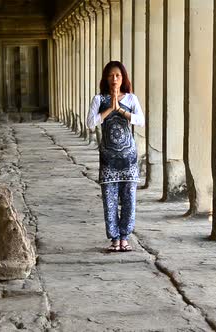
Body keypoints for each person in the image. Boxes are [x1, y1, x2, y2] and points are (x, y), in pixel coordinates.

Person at [86, 61, 145, 252]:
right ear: (105, 78)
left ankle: (125, 237)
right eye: (111, 76)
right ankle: (114, 239)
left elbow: (141, 121)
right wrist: (109, 109)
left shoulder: (130, 99)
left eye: (118, 75)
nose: (114, 79)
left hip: (128, 157)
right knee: (109, 199)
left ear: (123, 78)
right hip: (108, 158)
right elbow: (90, 123)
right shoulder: (99, 99)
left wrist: (121, 110)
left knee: (129, 198)